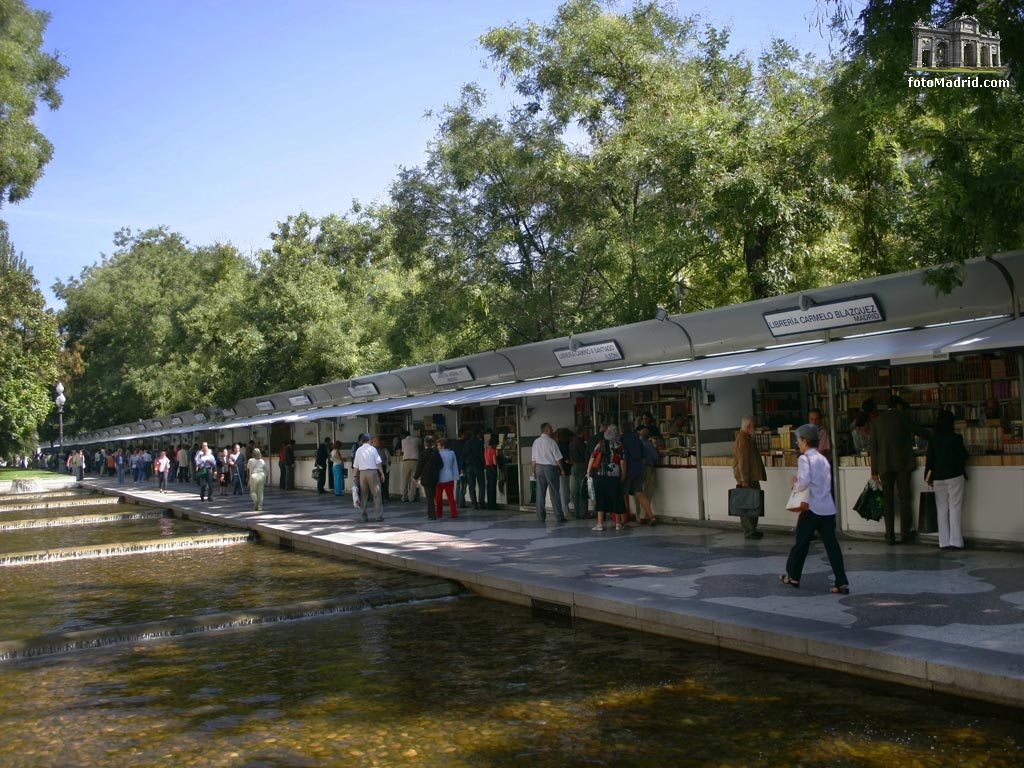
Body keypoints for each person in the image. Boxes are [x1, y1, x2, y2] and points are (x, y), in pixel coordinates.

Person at [779, 423, 850, 594]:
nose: (798, 444)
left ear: (805, 440)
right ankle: (841, 581)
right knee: (832, 546)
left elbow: (803, 482)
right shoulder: (823, 459)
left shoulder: (805, 459)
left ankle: (793, 575)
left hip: (811, 507)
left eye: (799, 440)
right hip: (827, 507)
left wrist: (794, 483)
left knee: (800, 544)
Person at [870, 395, 928, 545]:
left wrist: (874, 470)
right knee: (904, 499)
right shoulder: (903, 418)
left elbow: (873, 448)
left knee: (887, 501)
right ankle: (905, 533)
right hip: (903, 464)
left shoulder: (877, 422)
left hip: (884, 466)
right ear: (898, 406)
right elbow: (918, 431)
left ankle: (889, 536)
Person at [926, 410, 969, 550]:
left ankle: (943, 542)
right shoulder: (956, 438)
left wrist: (928, 476)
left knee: (942, 509)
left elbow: (930, 459)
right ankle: (956, 541)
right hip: (955, 476)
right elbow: (963, 455)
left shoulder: (933, 438)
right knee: (955, 508)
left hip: (938, 477)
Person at [732, 415, 766, 539]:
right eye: (754, 426)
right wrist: (744, 480)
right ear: (749, 426)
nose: (755, 429)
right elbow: (743, 462)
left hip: (750, 477)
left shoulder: (747, 439)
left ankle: (752, 529)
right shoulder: (743, 440)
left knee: (753, 503)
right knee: (748, 505)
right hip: (748, 479)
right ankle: (750, 531)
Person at [589, 426, 626, 531]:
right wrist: (623, 475)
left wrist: (588, 472)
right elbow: (623, 462)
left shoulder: (601, 444)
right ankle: (618, 524)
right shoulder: (620, 446)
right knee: (616, 498)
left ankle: (600, 524)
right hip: (614, 476)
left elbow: (593, 457)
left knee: (601, 499)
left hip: (601, 475)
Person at [531, 422, 567, 523]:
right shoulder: (552, 442)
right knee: (554, 492)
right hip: (550, 468)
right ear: (546, 430)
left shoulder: (536, 442)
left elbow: (533, 460)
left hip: (538, 468)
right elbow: (558, 459)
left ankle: (540, 517)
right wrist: (562, 469)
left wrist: (533, 471)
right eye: (551, 429)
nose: (552, 430)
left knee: (540, 493)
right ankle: (559, 516)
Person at [621, 425, 655, 524]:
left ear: (622, 431)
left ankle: (623, 520)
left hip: (627, 470)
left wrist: (623, 473)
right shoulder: (637, 440)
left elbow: (623, 458)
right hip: (638, 470)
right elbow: (644, 457)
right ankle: (651, 517)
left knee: (623, 495)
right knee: (640, 493)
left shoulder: (622, 440)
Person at [353, 433, 385, 522]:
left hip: (362, 473)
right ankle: (378, 515)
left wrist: (355, 476)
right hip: (373, 472)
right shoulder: (373, 449)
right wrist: (382, 473)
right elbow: (378, 462)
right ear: (369, 440)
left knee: (363, 495)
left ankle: (363, 515)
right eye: (371, 440)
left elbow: (356, 465)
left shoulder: (358, 450)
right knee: (377, 494)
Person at [414, 435, 442, 519]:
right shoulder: (436, 453)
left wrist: (415, 477)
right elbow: (441, 465)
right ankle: (431, 513)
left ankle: (432, 515)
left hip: (426, 478)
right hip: (435, 477)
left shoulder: (423, 454)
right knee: (433, 496)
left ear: (425, 443)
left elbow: (419, 467)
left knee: (429, 498)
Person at [435, 436, 460, 519]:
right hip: (449, 478)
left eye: (438, 445)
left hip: (440, 479)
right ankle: (454, 513)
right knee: (451, 497)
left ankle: (439, 513)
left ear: (442, 446)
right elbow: (455, 466)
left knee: (438, 497)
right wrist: (456, 476)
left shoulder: (438, 454)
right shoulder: (452, 453)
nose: (437, 447)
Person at [569, 429, 590, 518]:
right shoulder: (581, 442)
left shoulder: (572, 442)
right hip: (581, 466)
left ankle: (577, 512)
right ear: (581, 433)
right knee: (583, 488)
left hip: (574, 466)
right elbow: (585, 455)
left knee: (577, 489)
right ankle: (583, 513)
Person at [463, 430, 485, 510]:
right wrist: (484, 464)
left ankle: (474, 503)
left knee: (471, 485)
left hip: (469, 466)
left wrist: (463, 467)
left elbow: (464, 455)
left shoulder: (467, 443)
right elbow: (481, 454)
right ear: (477, 434)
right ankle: (481, 502)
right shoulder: (479, 443)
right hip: (478, 465)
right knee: (481, 484)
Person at [400, 430, 421, 502]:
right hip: (415, 461)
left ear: (404, 435)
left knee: (404, 479)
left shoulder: (403, 441)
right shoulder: (416, 440)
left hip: (406, 461)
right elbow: (421, 443)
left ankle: (404, 497)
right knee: (414, 480)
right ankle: (411, 498)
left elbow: (402, 451)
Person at [372, 435, 391, 505]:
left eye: (380, 441)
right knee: (377, 484)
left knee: (383, 483)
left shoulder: (382, 449)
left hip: (383, 467)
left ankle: (383, 498)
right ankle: (377, 498)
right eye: (378, 441)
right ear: (374, 442)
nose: (380, 443)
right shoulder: (372, 450)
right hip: (375, 468)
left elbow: (387, 459)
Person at [483, 434, 499, 510]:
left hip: (487, 468)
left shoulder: (486, 449)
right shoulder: (493, 450)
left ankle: (489, 504)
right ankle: (493, 504)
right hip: (492, 468)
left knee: (489, 486)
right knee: (493, 487)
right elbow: (495, 462)